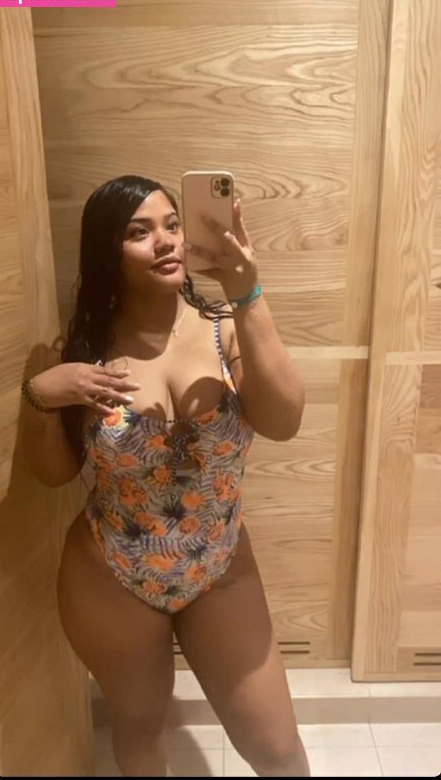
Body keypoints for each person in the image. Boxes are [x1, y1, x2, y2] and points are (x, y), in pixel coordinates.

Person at [21, 175, 309, 777]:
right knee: (140, 728)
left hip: (219, 565)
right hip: (110, 572)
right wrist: (42, 397)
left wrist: (248, 293)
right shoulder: (83, 351)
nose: (165, 241)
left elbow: (284, 422)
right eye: (139, 232)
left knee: (278, 751)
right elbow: (53, 475)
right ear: (108, 251)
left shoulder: (225, 328)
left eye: (173, 225)